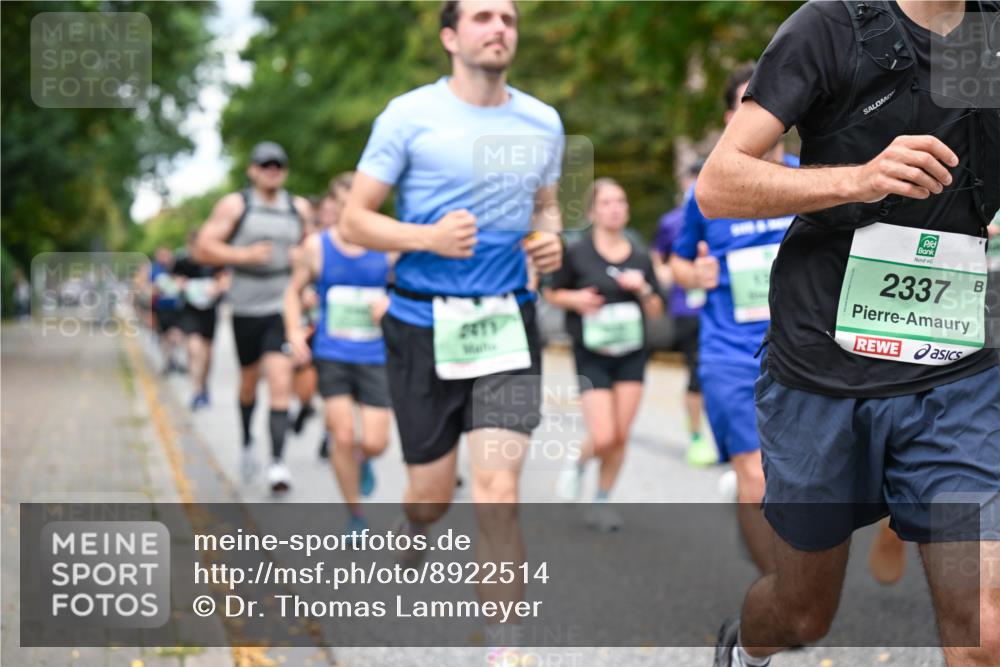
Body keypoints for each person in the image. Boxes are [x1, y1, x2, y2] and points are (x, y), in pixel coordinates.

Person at [696, 2, 1000, 665]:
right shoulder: (831, 27)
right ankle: (745, 650)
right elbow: (717, 185)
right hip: (822, 368)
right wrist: (856, 180)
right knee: (803, 612)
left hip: (954, 369)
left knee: (986, 625)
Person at [341, 0, 563, 650]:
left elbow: (547, 209)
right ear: (449, 35)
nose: (500, 28)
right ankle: (417, 528)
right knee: (431, 497)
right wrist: (426, 237)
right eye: (483, 16)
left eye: (510, 18)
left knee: (497, 488)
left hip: (505, 324)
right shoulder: (408, 116)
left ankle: (504, 644)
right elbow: (354, 221)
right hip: (420, 325)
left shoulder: (543, 121)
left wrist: (547, 241)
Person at [671, 64, 797, 576]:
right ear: (732, 116)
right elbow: (677, 262)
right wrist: (693, 273)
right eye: (753, 103)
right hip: (729, 351)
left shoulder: (808, 177)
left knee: (799, 481)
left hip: (801, 351)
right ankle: (778, 593)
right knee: (755, 475)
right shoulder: (708, 190)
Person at [546, 178, 664, 531]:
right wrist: (576, 300)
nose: (615, 208)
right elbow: (552, 293)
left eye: (621, 202)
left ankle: (601, 500)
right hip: (592, 352)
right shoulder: (577, 252)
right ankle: (578, 463)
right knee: (604, 435)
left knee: (621, 435)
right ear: (593, 211)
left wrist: (642, 289)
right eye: (607, 202)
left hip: (631, 353)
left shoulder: (640, 257)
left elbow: (657, 310)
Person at [193, 141, 311, 493]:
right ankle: (247, 443)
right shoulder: (236, 205)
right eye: (265, 165)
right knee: (248, 382)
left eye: (278, 164)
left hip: (282, 303)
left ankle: (277, 463)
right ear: (252, 170)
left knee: (279, 381)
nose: (272, 170)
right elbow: (203, 246)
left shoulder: (298, 208)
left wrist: (303, 272)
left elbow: (312, 248)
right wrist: (242, 255)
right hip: (245, 305)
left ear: (285, 170)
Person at [285, 189, 393, 544]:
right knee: (342, 435)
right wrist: (294, 330)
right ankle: (356, 515)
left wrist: (391, 301)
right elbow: (293, 290)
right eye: (340, 206)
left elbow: (412, 286)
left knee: (377, 441)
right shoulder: (317, 247)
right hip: (333, 353)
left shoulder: (388, 245)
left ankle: (363, 459)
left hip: (376, 354)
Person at [651, 160, 712, 466]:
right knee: (697, 374)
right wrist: (671, 276)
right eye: (690, 182)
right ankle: (697, 436)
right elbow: (659, 259)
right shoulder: (671, 222)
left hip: (720, 308)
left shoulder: (725, 214)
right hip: (686, 309)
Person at [173, 231, 229, 410]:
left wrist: (217, 288)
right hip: (190, 310)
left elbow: (225, 280)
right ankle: (196, 390)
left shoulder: (214, 261)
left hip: (210, 311)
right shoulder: (182, 261)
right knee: (194, 348)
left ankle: (204, 385)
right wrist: (182, 285)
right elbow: (175, 279)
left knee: (207, 354)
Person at [150, 246, 185, 374]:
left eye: (167, 255)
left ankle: (175, 360)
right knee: (164, 336)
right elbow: (150, 288)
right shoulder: (155, 269)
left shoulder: (176, 267)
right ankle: (168, 362)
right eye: (162, 255)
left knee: (177, 335)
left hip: (176, 306)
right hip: (162, 307)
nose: (165, 258)